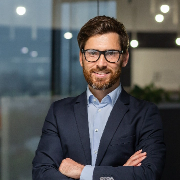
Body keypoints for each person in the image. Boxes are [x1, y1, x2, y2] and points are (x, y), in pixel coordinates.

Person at [32, 15, 166, 180]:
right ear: (81, 58)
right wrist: (119, 174)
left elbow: (148, 174)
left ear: (124, 58)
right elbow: (42, 173)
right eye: (92, 53)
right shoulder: (59, 112)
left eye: (111, 53)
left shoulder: (145, 114)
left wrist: (83, 172)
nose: (101, 63)